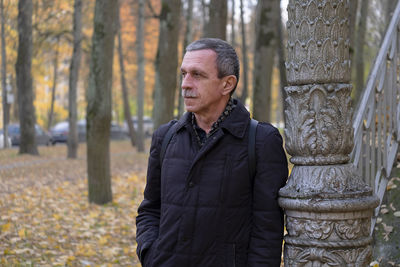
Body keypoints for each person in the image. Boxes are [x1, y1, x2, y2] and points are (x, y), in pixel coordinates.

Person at [136, 38, 288, 266]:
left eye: (197, 75)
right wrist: (151, 255)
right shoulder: (165, 137)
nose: (185, 84)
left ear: (227, 84)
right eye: (184, 74)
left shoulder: (261, 142)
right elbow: (150, 209)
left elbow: (267, 234)